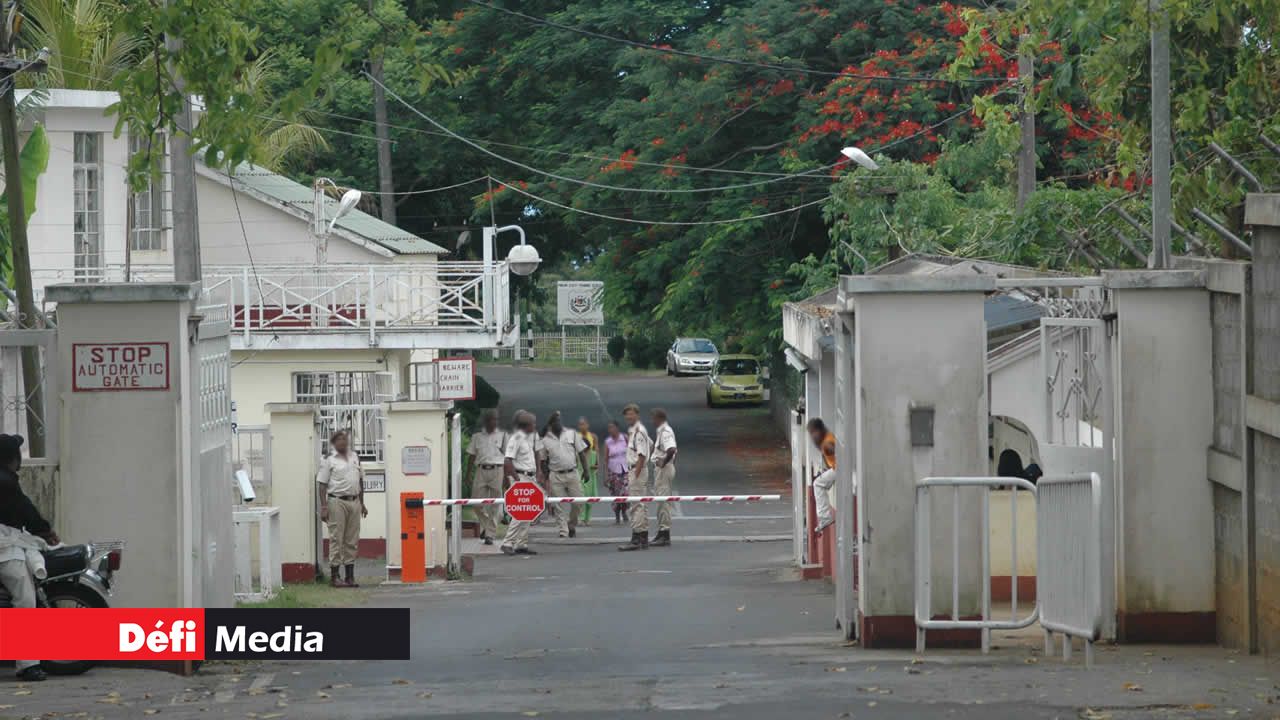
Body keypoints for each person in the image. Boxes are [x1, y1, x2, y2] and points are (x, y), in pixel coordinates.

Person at [0, 433, 58, 681]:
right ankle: (27, 664)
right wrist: (45, 530)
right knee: (24, 598)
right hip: (3, 547)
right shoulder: (5, 481)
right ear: (11, 459)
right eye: (17, 455)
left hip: (7, 541)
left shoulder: (5, 479)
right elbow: (25, 510)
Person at [316, 430, 367, 588]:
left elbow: (360, 481)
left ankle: (350, 576)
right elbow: (322, 484)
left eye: (345, 440)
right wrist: (324, 507)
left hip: (354, 502)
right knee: (337, 538)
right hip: (337, 501)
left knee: (351, 540)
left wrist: (362, 503)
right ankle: (335, 576)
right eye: (339, 440)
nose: (343, 442)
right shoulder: (329, 460)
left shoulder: (355, 457)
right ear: (334, 443)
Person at [501, 410, 544, 555]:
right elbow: (507, 460)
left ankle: (521, 543)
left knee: (528, 511)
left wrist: (537, 472)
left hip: (529, 477)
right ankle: (507, 542)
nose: (535, 426)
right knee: (519, 512)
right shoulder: (516, 438)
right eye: (533, 424)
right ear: (526, 426)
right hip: (521, 477)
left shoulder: (528, 438)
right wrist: (517, 478)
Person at [541, 412, 588, 539]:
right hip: (556, 475)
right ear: (550, 425)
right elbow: (543, 461)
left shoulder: (572, 434)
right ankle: (563, 531)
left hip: (572, 472)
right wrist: (547, 476)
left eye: (559, 421)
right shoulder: (545, 440)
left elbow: (582, 453)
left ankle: (571, 524)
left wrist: (586, 470)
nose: (558, 424)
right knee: (558, 505)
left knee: (579, 501)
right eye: (555, 422)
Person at [465, 410, 508, 545]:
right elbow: (472, 456)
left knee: (496, 503)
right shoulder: (477, 437)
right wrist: (468, 474)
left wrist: (506, 476)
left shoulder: (503, 435)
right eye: (491, 420)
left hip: (497, 470)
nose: (494, 422)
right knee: (476, 503)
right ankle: (487, 526)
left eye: (496, 420)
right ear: (486, 422)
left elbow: (507, 458)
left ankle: (490, 534)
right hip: (481, 471)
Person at [617, 404, 652, 551]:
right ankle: (643, 536)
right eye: (626, 415)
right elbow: (650, 444)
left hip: (637, 470)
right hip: (637, 470)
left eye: (631, 414)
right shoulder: (634, 431)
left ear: (637, 414)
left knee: (636, 505)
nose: (628, 417)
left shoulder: (638, 431)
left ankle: (636, 538)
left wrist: (636, 474)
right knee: (641, 505)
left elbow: (642, 455)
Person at [648, 408, 678, 547]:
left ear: (659, 418)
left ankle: (665, 533)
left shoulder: (665, 431)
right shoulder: (662, 431)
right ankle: (661, 531)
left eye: (653, 418)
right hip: (663, 469)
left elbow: (671, 449)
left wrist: (664, 462)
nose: (652, 421)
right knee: (660, 502)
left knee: (663, 501)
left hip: (663, 470)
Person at [807, 418, 837, 535]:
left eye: (815, 432)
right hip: (835, 468)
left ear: (820, 430)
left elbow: (836, 452)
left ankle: (825, 516)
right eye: (811, 433)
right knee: (821, 481)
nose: (813, 436)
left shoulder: (827, 443)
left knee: (817, 484)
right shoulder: (827, 438)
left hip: (840, 469)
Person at [603, 420, 630, 524]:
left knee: (625, 493)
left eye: (612, 427)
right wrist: (605, 476)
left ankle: (624, 511)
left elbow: (632, 452)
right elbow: (605, 460)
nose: (611, 430)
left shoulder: (625, 438)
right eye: (609, 428)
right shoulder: (608, 442)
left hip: (625, 470)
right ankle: (617, 514)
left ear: (617, 428)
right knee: (616, 494)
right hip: (613, 472)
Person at [576, 417, 600, 526]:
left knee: (590, 496)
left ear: (587, 425)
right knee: (581, 495)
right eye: (580, 424)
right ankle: (581, 517)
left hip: (591, 469)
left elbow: (596, 450)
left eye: (584, 424)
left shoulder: (593, 437)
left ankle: (588, 518)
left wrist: (597, 463)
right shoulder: (576, 437)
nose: (582, 426)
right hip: (580, 469)